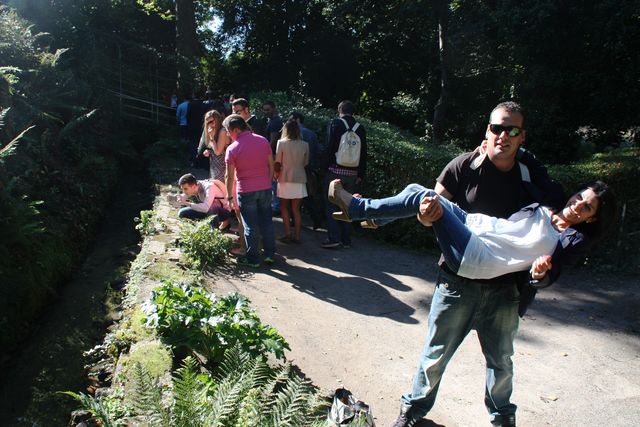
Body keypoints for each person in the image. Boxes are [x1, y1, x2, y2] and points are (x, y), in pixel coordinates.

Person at [385, 101, 565, 427]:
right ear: (487, 130)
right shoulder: (463, 166)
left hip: (504, 291)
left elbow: (558, 208)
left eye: (512, 130)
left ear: (522, 136)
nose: (503, 136)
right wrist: (426, 217)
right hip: (456, 284)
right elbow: (432, 210)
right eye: (497, 127)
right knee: (434, 356)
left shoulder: (530, 176)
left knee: (501, 365)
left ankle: (502, 419)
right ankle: (411, 413)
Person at [328, 179, 615, 284]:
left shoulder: (569, 240)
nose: (578, 205)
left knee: (424, 199)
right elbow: (527, 166)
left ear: (591, 219)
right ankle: (376, 219)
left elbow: (549, 275)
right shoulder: (546, 207)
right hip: (472, 227)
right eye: (579, 197)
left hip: (475, 255)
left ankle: (359, 209)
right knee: (419, 190)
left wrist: (541, 274)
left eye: (587, 208)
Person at [223, 114, 276, 268]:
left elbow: (229, 176)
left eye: (228, 131)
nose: (228, 135)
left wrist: (229, 196)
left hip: (246, 191)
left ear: (236, 129)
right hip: (265, 187)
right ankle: (269, 254)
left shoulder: (232, 149)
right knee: (267, 222)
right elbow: (271, 165)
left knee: (250, 226)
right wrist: (268, 181)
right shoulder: (263, 140)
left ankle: (253, 259)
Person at [321, 100, 367, 249]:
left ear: (339, 110)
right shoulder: (360, 129)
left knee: (331, 205)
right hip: (353, 173)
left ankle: (334, 238)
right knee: (348, 205)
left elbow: (329, 147)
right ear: (353, 112)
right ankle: (346, 240)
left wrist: (324, 168)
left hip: (335, 171)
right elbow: (364, 153)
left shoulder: (335, 124)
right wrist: (361, 174)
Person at [275, 119, 309, 243]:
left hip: (284, 177)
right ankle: (298, 236)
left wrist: (276, 175)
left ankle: (288, 234)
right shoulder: (305, 144)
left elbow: (277, 162)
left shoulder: (281, 143)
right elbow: (306, 162)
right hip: (300, 178)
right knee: (296, 209)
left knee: (284, 207)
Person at [290, 111, 323, 230]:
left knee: (292, 197)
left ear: (297, 119)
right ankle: (316, 219)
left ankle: (293, 221)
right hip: (308, 169)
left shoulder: (292, 133)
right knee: (308, 196)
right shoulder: (312, 134)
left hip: (294, 169)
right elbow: (318, 150)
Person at [197, 110, 231, 182]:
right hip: (215, 167)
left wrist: (212, 138)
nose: (210, 124)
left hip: (224, 167)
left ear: (218, 120)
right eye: (208, 122)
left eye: (212, 121)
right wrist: (209, 151)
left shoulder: (222, 131)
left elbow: (218, 152)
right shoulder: (213, 131)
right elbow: (215, 149)